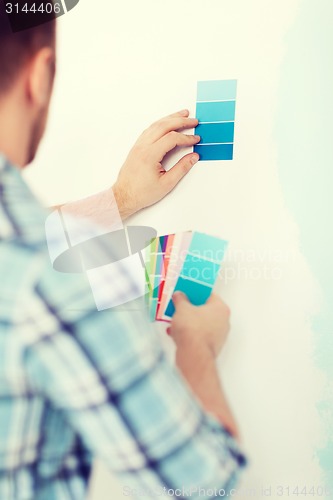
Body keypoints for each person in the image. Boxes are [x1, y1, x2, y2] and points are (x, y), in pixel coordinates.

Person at [0, 2, 246, 499]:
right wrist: (195, 344)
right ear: (41, 75)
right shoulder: (65, 285)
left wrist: (121, 199)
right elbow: (202, 487)